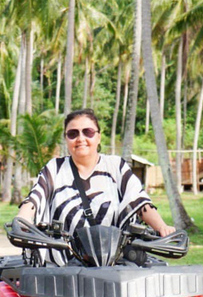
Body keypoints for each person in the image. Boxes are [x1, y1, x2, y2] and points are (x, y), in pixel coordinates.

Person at [17, 108, 175, 264]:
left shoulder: (115, 166)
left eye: (88, 132)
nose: (80, 138)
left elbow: (140, 201)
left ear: (98, 136)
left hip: (114, 264)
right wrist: (22, 219)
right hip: (63, 266)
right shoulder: (55, 169)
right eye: (73, 134)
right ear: (66, 139)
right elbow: (35, 199)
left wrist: (161, 227)